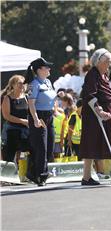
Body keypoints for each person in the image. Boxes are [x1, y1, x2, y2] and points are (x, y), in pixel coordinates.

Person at [80, 48, 111, 185]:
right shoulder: (92, 75)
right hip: (94, 117)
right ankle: (86, 177)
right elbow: (89, 95)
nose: (109, 64)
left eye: (110, 61)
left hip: (107, 115)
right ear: (99, 61)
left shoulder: (104, 75)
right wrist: (99, 111)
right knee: (91, 145)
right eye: (107, 61)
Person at [25, 58, 57, 186]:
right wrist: (36, 119)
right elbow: (31, 104)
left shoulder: (48, 82)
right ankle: (41, 175)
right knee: (41, 148)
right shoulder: (34, 84)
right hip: (39, 116)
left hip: (49, 116)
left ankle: (32, 172)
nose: (49, 69)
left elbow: (50, 98)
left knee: (50, 145)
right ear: (39, 70)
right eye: (46, 67)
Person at [1, 75, 29, 164]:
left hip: (25, 132)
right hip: (11, 131)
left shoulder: (26, 97)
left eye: (24, 83)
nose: (22, 85)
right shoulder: (7, 98)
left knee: (23, 156)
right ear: (13, 85)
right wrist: (22, 121)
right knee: (8, 157)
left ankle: (22, 174)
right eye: (20, 83)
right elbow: (6, 116)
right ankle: (6, 176)